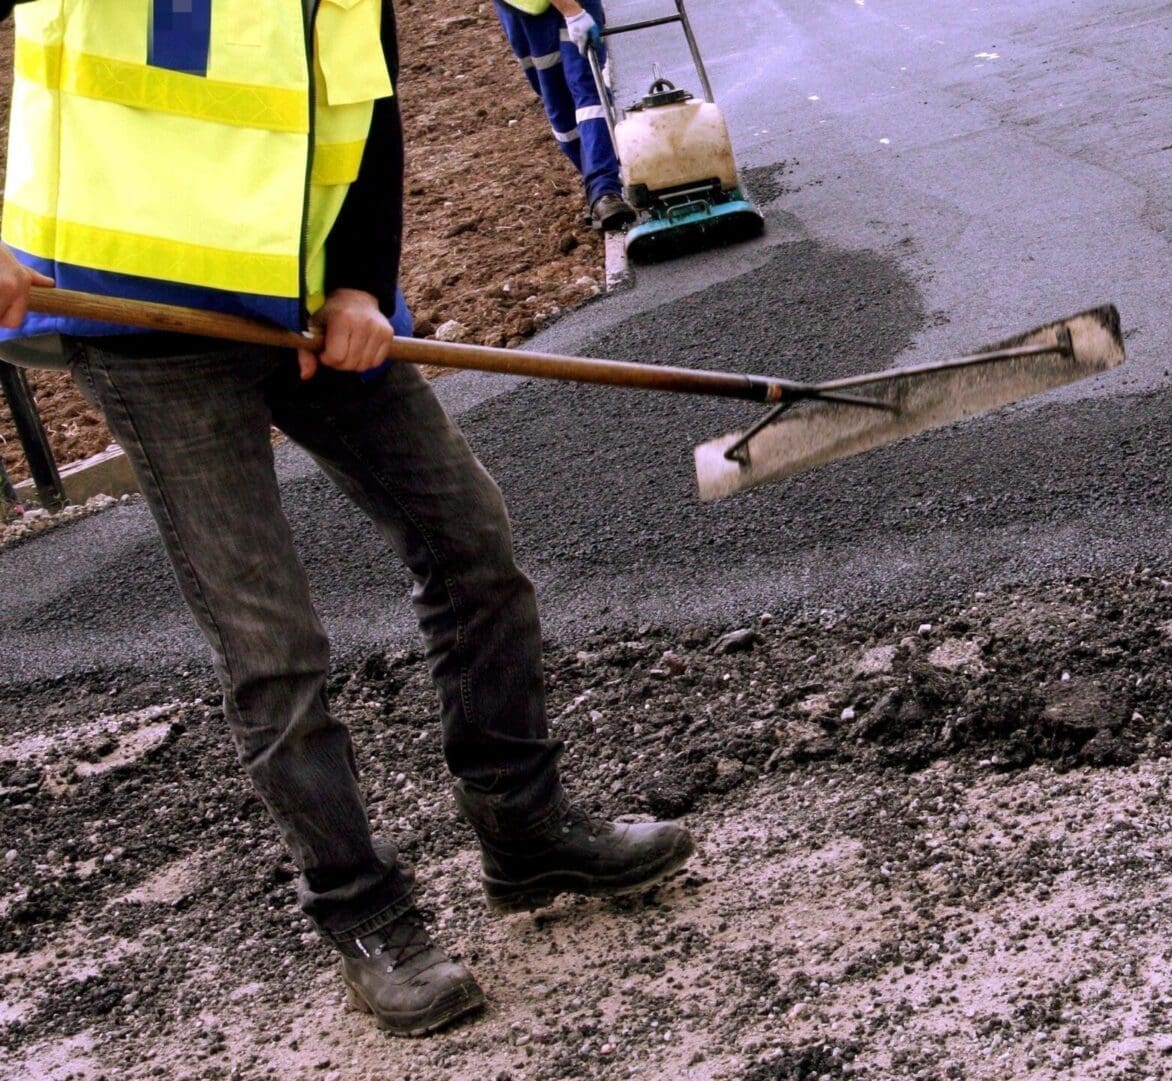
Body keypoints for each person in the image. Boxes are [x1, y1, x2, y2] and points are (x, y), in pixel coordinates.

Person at [0, 0, 693, 1037]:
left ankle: (524, 825)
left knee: (469, 543)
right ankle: (363, 915)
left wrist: (362, 284)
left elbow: (364, 105)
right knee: (270, 644)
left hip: (313, 307)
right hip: (144, 325)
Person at [492, 0, 638, 232]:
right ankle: (597, 185)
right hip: (524, 10)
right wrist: (571, 11)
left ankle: (604, 190)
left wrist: (573, 11)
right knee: (558, 102)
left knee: (587, 85)